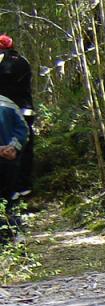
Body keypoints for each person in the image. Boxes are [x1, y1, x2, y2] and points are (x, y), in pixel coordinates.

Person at [0, 35, 32, 200]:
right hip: (23, 109)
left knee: (8, 148)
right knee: (23, 147)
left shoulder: (7, 62)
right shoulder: (23, 61)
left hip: (8, 111)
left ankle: (12, 191)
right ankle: (23, 187)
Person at [0, 90, 27, 242]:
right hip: (9, 160)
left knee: (7, 199)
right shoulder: (8, 103)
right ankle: (15, 236)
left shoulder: (7, 103)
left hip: (7, 161)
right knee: (8, 199)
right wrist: (13, 147)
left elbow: (23, 128)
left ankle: (9, 239)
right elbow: (23, 129)